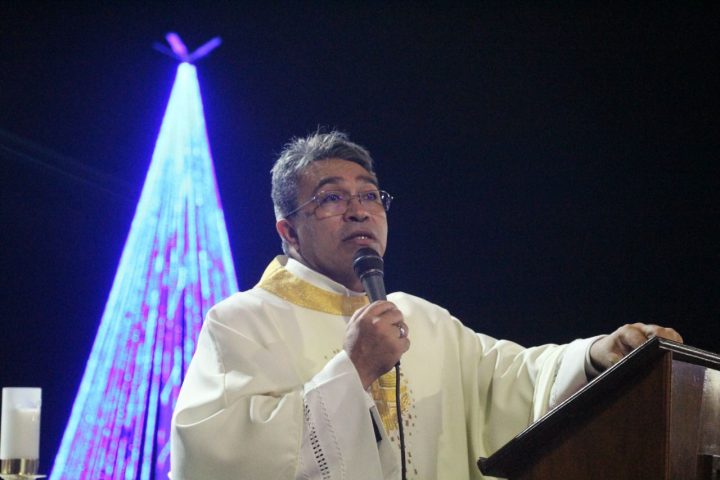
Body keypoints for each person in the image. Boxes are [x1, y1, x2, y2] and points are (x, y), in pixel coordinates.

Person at [170, 131, 682, 480]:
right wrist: (353, 369)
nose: (358, 211)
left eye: (371, 195)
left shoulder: (422, 319)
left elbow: (511, 381)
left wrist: (595, 356)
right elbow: (218, 459)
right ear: (288, 231)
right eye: (331, 198)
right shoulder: (242, 322)